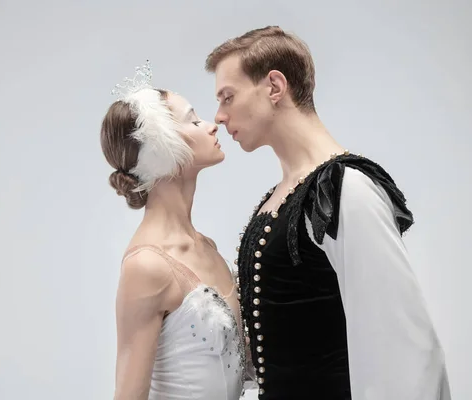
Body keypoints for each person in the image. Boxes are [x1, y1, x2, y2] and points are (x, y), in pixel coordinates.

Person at [204, 27, 451, 399]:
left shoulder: (341, 188)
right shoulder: (280, 195)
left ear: (274, 86)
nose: (219, 116)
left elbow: (403, 343)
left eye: (228, 96)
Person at [100, 60, 247, 400]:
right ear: (164, 149)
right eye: (193, 120)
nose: (211, 126)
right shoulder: (146, 266)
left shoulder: (206, 248)